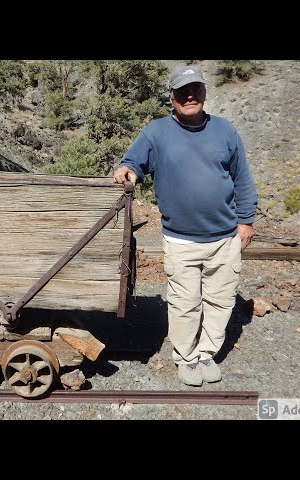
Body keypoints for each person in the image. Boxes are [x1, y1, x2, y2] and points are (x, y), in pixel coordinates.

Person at [113, 65, 257, 387]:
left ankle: (206, 353)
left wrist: (246, 221)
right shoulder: (156, 132)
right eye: (182, 91)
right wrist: (127, 169)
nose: (189, 96)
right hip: (180, 241)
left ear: (205, 93)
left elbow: (242, 179)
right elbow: (134, 161)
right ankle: (186, 357)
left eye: (195, 89)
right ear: (171, 98)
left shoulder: (225, 131)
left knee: (221, 300)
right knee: (184, 303)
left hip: (225, 238)